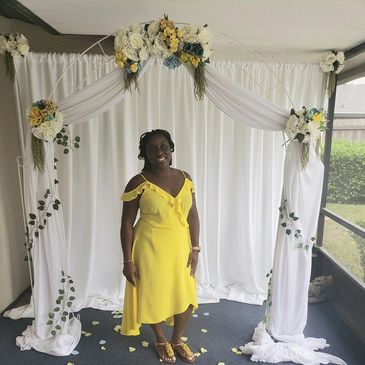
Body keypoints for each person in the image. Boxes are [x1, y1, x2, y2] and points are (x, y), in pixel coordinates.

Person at [119, 129, 200, 363]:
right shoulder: (138, 182)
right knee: (152, 294)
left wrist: (195, 249)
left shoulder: (186, 177)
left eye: (163, 146)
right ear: (144, 154)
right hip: (149, 248)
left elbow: (193, 215)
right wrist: (127, 260)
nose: (159, 151)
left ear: (171, 148)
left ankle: (177, 339)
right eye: (152, 148)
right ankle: (161, 340)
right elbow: (126, 224)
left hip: (180, 247)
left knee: (185, 296)